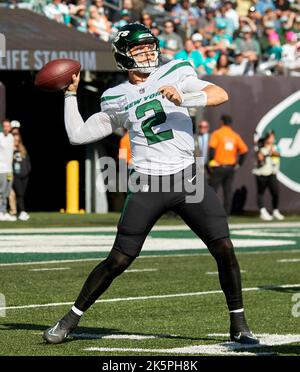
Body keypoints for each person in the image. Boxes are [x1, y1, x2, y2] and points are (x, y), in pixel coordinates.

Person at [43, 23, 259, 346]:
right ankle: (69, 319)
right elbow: (77, 135)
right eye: (138, 49)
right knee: (119, 259)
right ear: (123, 57)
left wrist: (185, 95)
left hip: (188, 179)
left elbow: (220, 93)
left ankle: (239, 324)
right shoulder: (115, 96)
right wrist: (71, 95)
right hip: (148, 183)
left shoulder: (176, 70)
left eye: (149, 46)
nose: (147, 52)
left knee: (224, 247)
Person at [208, 114, 249, 215]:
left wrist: (211, 162)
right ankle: (226, 213)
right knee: (228, 191)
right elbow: (244, 150)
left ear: (221, 122)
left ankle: (210, 211)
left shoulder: (217, 133)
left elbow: (212, 149)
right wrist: (239, 164)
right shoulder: (234, 135)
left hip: (219, 167)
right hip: (230, 168)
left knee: (212, 190)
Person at [252, 130, 284, 221]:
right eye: (270, 137)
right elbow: (260, 158)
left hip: (272, 173)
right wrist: (262, 153)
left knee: (275, 192)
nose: (272, 139)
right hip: (261, 173)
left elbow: (278, 154)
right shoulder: (260, 148)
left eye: (273, 137)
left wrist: (270, 152)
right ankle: (262, 211)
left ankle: (275, 210)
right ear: (266, 138)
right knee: (260, 192)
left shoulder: (276, 147)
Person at [12, 133, 31, 221]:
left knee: (22, 194)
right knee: (19, 194)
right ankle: (22, 211)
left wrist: (27, 170)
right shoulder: (10, 150)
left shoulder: (22, 149)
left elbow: (27, 161)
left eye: (17, 140)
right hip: (16, 176)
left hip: (25, 175)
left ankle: (21, 211)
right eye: (15, 140)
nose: (16, 141)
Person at [0, 119, 16, 221]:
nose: (6, 128)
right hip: (1, 169)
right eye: (5, 126)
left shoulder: (11, 137)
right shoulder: (0, 137)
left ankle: (4, 211)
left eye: (8, 126)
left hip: (9, 170)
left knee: (7, 191)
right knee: (1, 191)